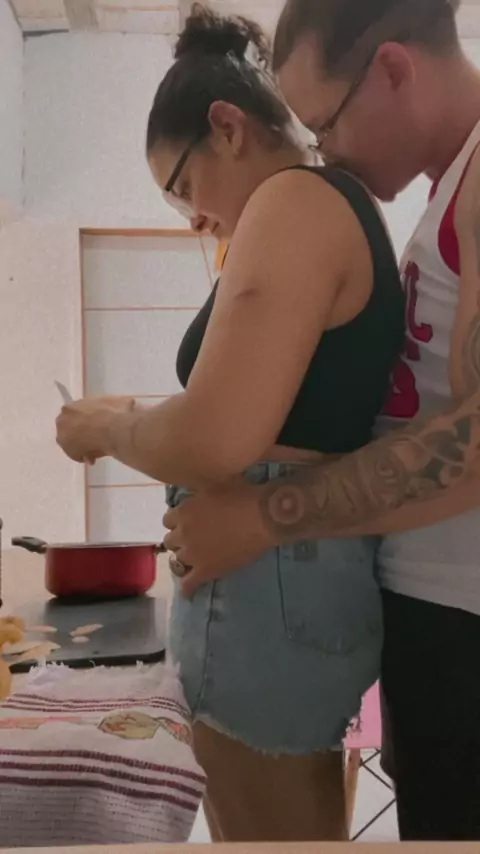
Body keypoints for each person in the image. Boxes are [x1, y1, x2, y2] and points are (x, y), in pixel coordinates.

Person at [55, 4, 405, 842]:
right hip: (291, 574)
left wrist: (108, 425)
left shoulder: (293, 202)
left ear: (227, 127)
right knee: (292, 825)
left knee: (262, 835)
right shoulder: (330, 207)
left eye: (182, 185)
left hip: (266, 587)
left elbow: (214, 438)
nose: (191, 216)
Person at [161, 0, 480, 843]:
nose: (323, 151)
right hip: (432, 619)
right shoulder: (443, 193)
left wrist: (265, 516)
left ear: (394, 70)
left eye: (325, 124)